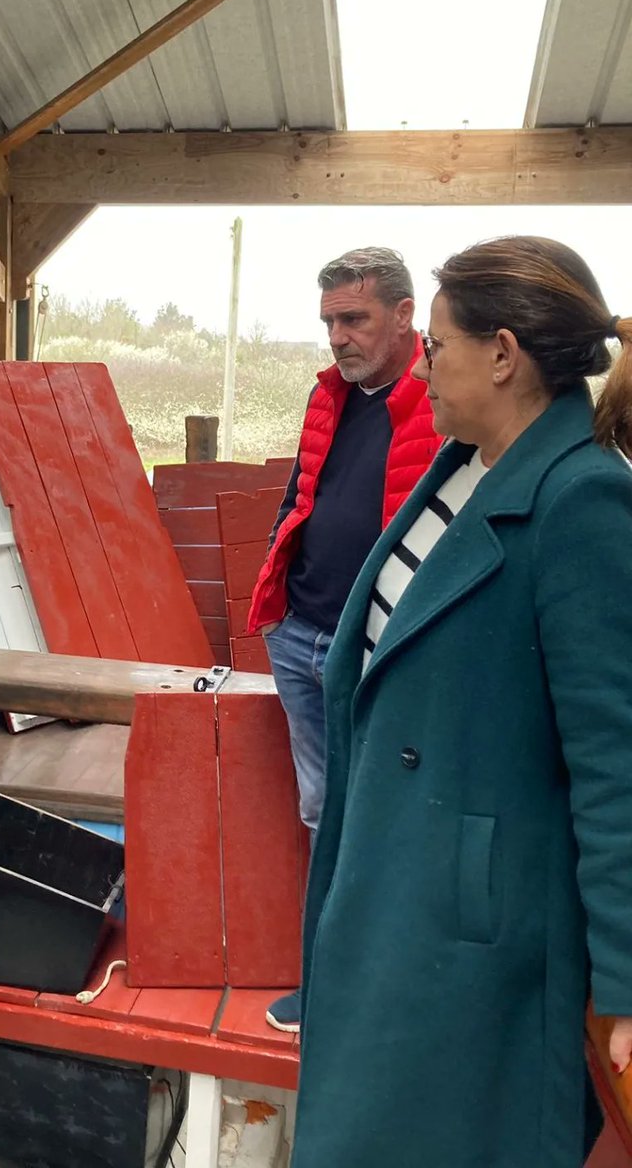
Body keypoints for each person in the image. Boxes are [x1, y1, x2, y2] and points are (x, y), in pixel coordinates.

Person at [292, 236, 632, 1167]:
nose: (425, 367)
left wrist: (628, 982)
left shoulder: (583, 501)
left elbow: (617, 766)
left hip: (476, 933)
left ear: (504, 353)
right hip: (390, 880)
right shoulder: (464, 466)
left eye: (437, 345)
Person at [246, 247, 440, 1033]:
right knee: (325, 812)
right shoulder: (330, 396)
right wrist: (278, 589)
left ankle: (380, 991)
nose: (337, 338)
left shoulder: (442, 400)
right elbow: (303, 490)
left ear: (404, 317)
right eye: (329, 321)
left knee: (390, 819)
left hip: (381, 649)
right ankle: (331, 984)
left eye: (353, 319)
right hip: (301, 636)